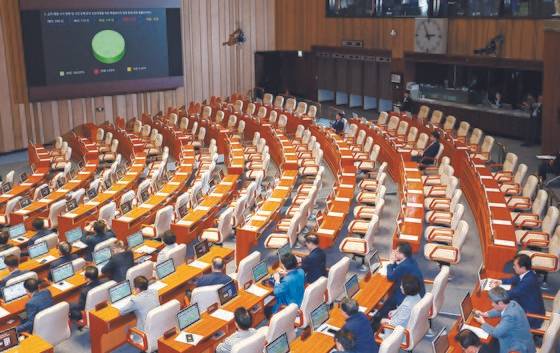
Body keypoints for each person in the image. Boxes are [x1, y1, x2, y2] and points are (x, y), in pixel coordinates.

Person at [373, 243, 425, 325]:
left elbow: (390, 277)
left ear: (402, 254)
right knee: (390, 297)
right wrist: (394, 262)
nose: (394, 253)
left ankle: (376, 321)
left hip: (410, 292)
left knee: (391, 299)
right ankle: (379, 314)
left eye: (396, 252)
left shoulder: (404, 266)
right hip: (416, 290)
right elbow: (398, 268)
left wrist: (390, 263)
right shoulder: (410, 260)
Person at [473, 287, 536, 353]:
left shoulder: (510, 316)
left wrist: (482, 322)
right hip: (523, 340)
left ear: (500, 303)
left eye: (493, 302)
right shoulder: (512, 303)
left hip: (517, 348)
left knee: (485, 346)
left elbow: (496, 333)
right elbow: (500, 310)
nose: (492, 305)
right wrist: (485, 314)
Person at [490, 254, 545, 328]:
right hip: (528, 307)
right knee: (500, 307)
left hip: (531, 317)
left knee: (501, 309)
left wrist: (495, 292)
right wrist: (500, 281)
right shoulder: (528, 273)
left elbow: (512, 293)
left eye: (515, 266)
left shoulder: (528, 281)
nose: (513, 267)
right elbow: (515, 279)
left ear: (522, 268)